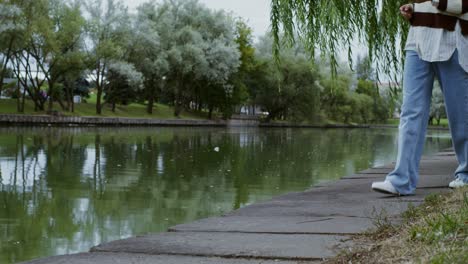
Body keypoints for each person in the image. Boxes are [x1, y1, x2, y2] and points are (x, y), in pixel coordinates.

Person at [371, 0, 468, 195]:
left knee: (460, 114)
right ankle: (401, 180)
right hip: (417, 43)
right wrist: (413, 10)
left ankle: (466, 174)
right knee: (410, 112)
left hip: (452, 43)